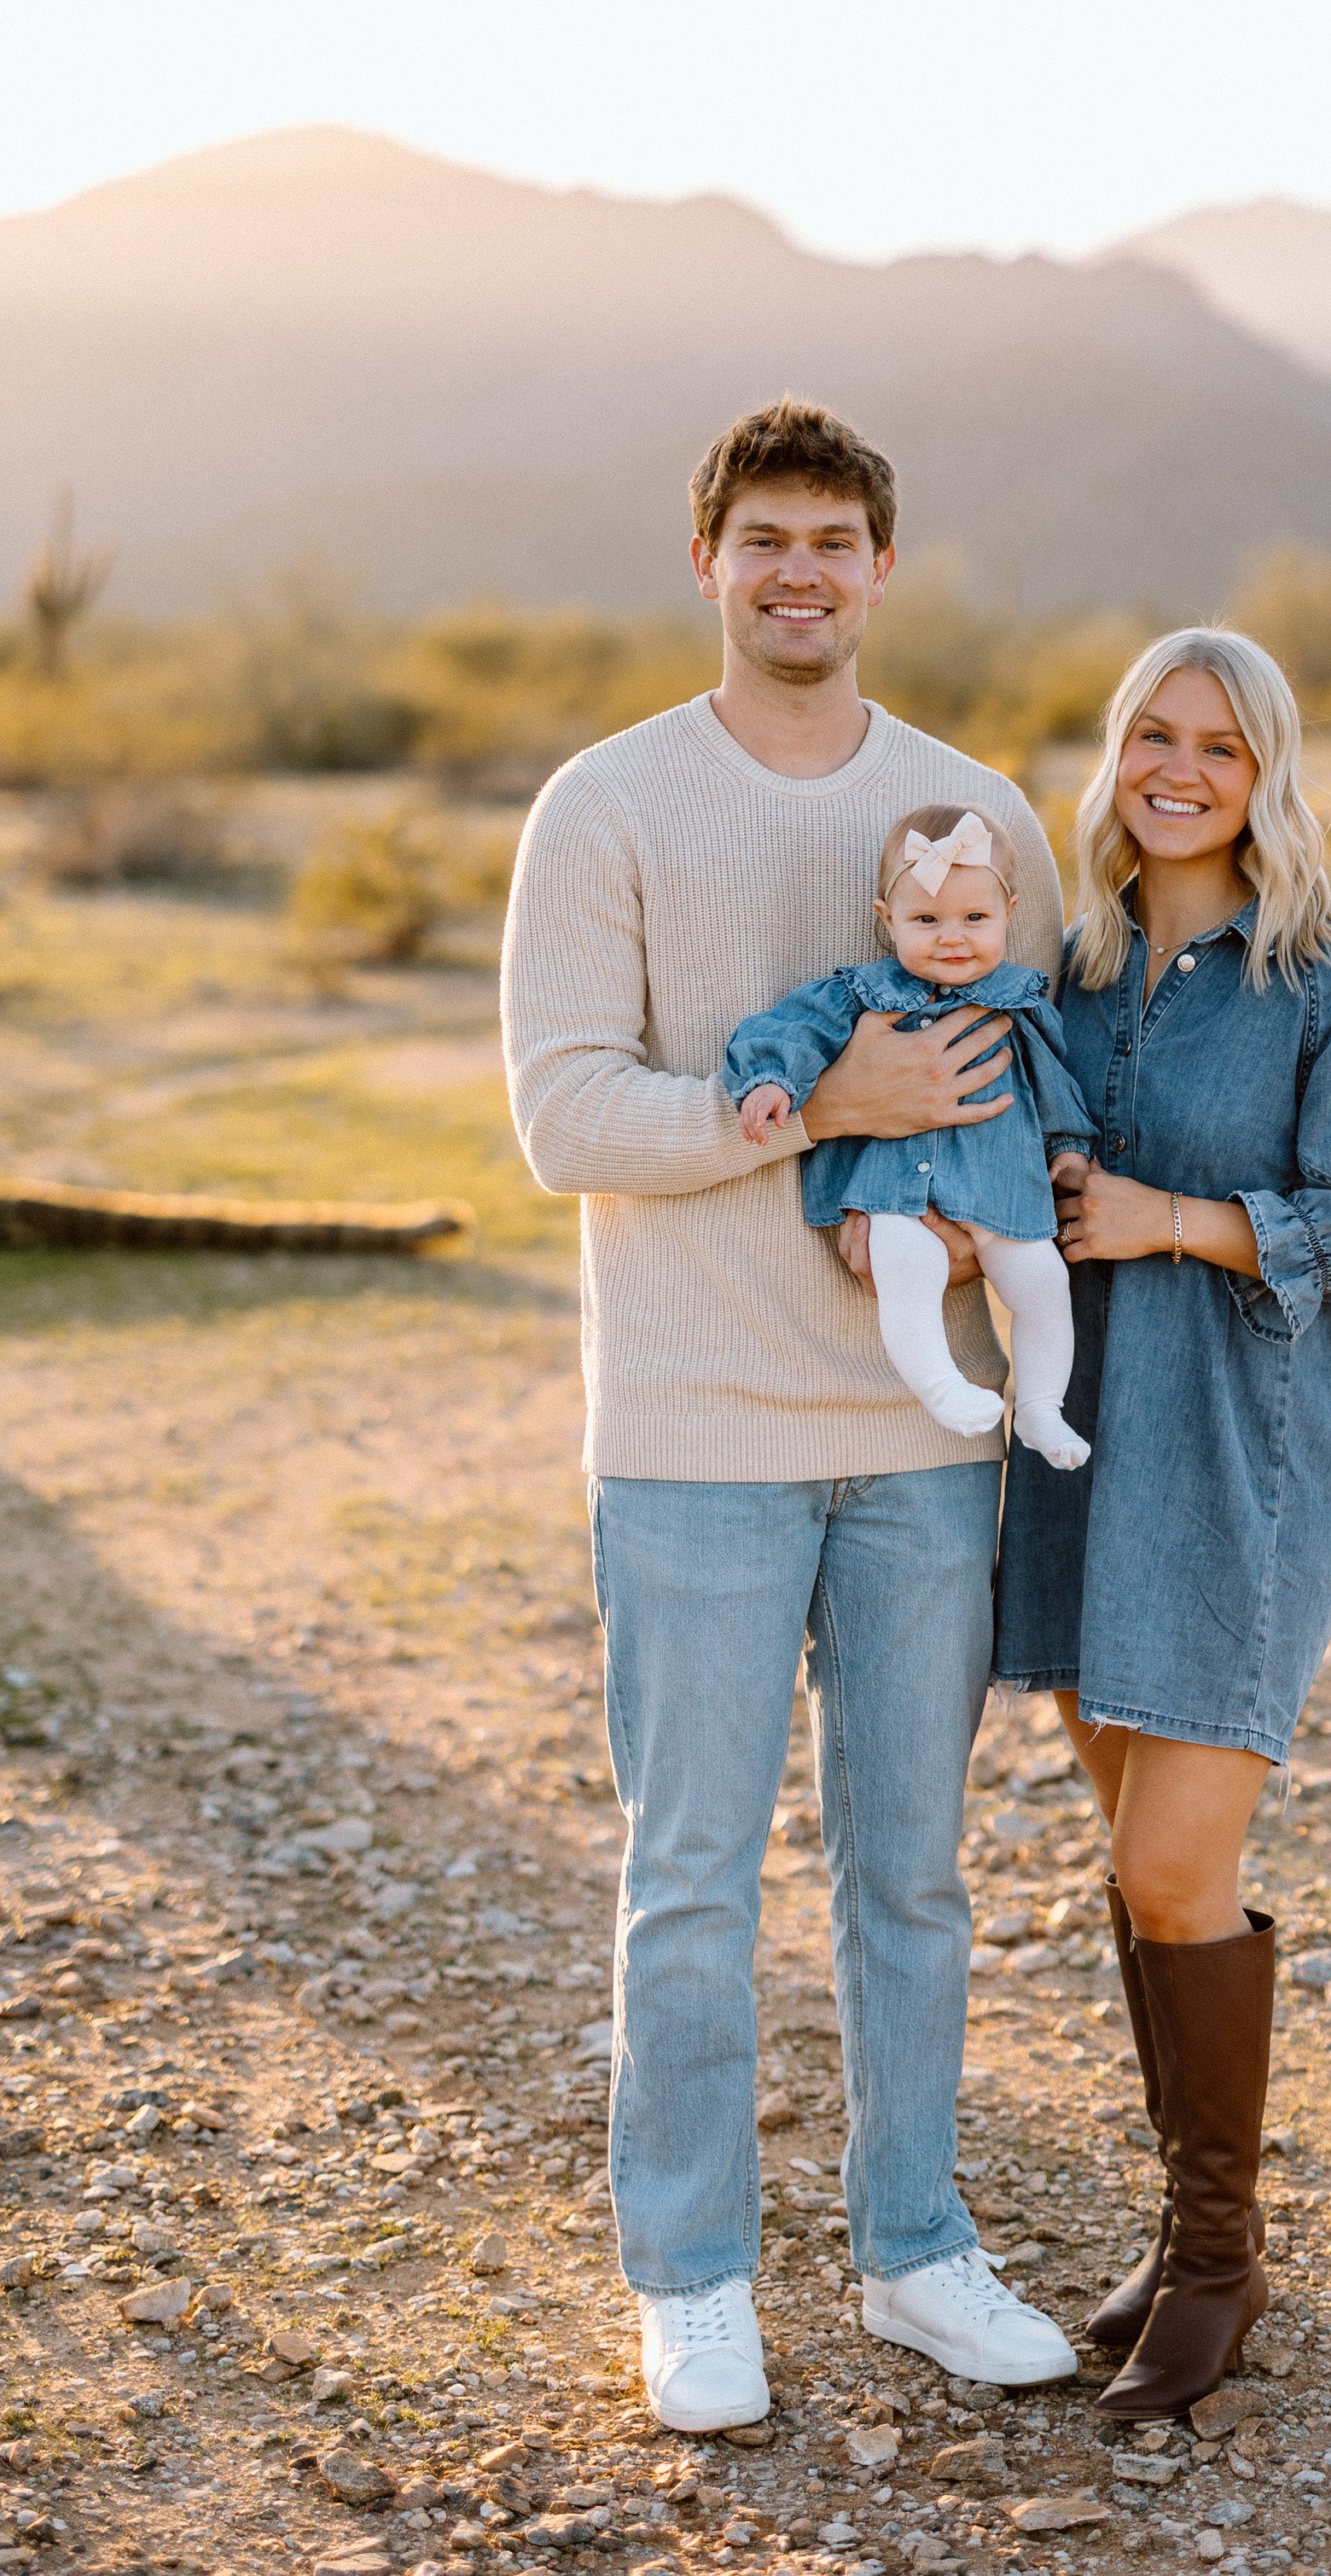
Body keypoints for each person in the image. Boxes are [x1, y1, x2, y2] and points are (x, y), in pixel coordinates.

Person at [503, 397, 1079, 2432]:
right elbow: (564, 1110)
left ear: (883, 567)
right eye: (765, 537)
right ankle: (691, 2276)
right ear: (709, 563)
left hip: (928, 1440)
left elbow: (1050, 1063)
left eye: (835, 535)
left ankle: (916, 2245)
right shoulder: (608, 803)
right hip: (688, 1436)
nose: (801, 568)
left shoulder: (972, 807)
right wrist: (811, 1113)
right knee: (690, 1875)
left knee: (910, 1871)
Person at [994, 626, 1331, 2416]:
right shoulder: (1068, 965)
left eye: (1220, 746)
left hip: (1243, 1459)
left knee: (1174, 1864)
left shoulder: (1329, 978)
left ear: (1266, 774)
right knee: (1140, 1864)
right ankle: (1187, 2237)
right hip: (1080, 1450)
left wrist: (1171, 1219)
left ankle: (1225, 2259)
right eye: (1151, 736)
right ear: (1116, 756)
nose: (1180, 768)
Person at [722, 800, 1097, 1467]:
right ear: (885, 918)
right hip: (894, 1186)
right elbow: (790, 1030)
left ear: (1010, 910)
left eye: (974, 919)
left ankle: (1041, 1409)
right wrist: (772, 1080)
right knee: (905, 1263)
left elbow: (1054, 1084)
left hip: (1002, 1184)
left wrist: (1067, 1150)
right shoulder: (863, 993)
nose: (952, 937)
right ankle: (938, 1384)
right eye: (926, 920)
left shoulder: (1021, 1001)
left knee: (1042, 1281)